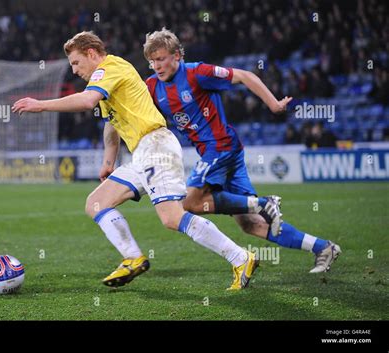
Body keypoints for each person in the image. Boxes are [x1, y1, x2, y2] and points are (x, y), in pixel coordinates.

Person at [12, 31, 261, 290]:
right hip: (142, 152)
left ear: (91, 53)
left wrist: (40, 104)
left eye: (76, 63)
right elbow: (112, 125)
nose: (75, 71)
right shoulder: (107, 81)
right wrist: (108, 162)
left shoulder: (111, 67)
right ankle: (132, 257)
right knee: (96, 202)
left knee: (172, 217)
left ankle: (241, 257)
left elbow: (87, 101)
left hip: (155, 145)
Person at [143, 28, 341, 273]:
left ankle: (263, 203)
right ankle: (322, 247)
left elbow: (245, 76)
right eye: (152, 61)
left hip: (221, 147)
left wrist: (274, 104)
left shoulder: (197, 72)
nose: (157, 66)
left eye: (161, 59)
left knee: (190, 202)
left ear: (176, 55)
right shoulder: (152, 86)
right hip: (220, 153)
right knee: (251, 225)